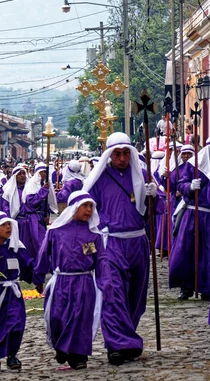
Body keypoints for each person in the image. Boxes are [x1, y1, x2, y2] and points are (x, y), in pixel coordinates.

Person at [82, 132, 163, 365]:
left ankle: (126, 339)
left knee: (134, 296)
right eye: (116, 153)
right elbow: (86, 209)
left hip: (138, 241)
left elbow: (157, 209)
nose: (122, 158)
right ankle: (116, 345)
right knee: (113, 293)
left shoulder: (142, 175)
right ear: (109, 155)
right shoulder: (99, 178)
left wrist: (153, 196)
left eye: (126, 153)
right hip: (111, 243)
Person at [34, 191, 109, 370]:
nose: (89, 210)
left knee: (81, 319)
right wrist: (38, 276)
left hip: (84, 283)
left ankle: (78, 356)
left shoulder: (94, 235)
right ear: (73, 208)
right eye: (85, 206)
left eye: (91, 206)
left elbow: (102, 261)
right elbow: (44, 254)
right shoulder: (56, 231)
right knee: (57, 316)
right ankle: (61, 346)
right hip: (62, 281)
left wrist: (106, 282)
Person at [0, 211, 35, 373]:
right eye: (3, 225)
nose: (8, 227)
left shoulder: (15, 247)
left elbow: (28, 264)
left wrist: (37, 277)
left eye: (9, 224)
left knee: (16, 323)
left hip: (12, 293)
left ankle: (12, 355)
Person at [170, 138, 210, 301]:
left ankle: (207, 288)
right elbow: (181, 184)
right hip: (193, 214)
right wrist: (190, 187)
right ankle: (186, 287)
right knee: (186, 251)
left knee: (208, 253)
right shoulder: (194, 165)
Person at [19, 163, 57, 259]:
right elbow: (31, 202)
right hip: (33, 219)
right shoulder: (32, 185)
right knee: (38, 242)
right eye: (42, 172)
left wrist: (47, 215)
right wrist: (43, 191)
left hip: (41, 218)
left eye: (45, 172)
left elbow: (46, 203)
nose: (44, 174)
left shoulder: (44, 184)